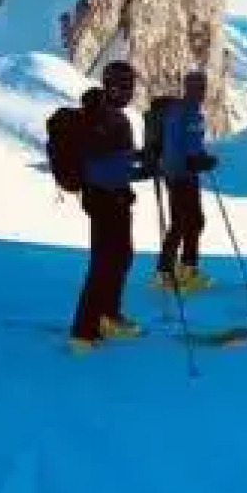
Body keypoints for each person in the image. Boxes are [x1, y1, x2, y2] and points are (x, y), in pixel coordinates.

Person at [67, 62, 153, 348]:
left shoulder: (110, 116)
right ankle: (83, 332)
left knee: (120, 257)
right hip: (107, 199)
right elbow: (108, 164)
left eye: (131, 85)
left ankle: (108, 315)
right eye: (124, 86)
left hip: (110, 197)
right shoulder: (106, 119)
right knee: (105, 263)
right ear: (111, 85)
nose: (129, 91)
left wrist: (140, 160)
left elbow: (115, 158)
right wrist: (144, 168)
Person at [143, 70, 216, 291]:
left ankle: (187, 270)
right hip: (178, 176)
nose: (200, 91)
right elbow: (173, 148)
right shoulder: (178, 112)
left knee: (195, 221)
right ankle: (164, 273)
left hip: (189, 175)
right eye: (195, 86)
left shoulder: (196, 114)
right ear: (187, 87)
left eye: (202, 86)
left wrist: (203, 159)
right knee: (181, 223)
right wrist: (187, 165)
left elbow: (193, 144)